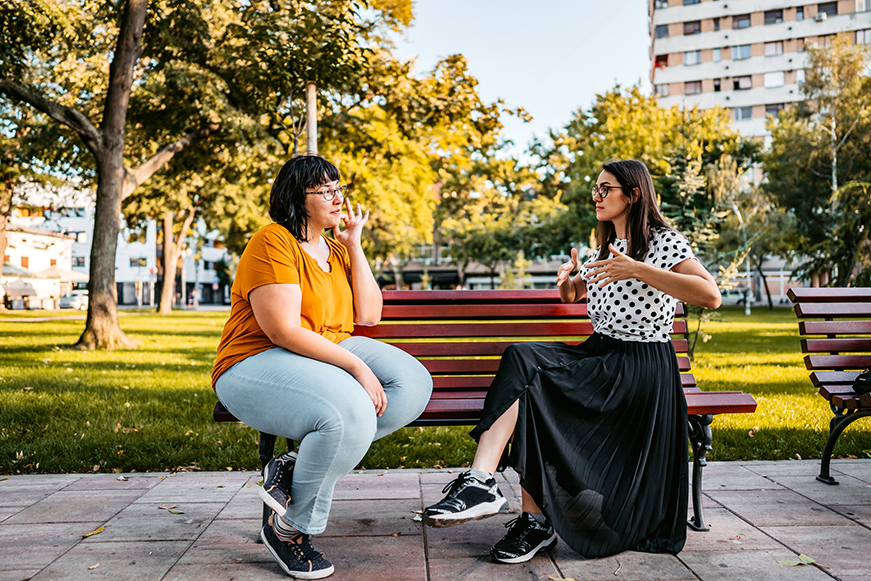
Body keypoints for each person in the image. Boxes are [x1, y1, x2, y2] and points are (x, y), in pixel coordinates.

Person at [422, 159, 721, 563]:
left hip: (640, 367)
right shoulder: (604, 246)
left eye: (605, 189)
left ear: (633, 195)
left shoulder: (663, 242)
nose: (596, 197)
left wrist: (640, 269)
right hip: (600, 353)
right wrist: (567, 282)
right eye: (595, 189)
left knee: (532, 377)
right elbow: (575, 295)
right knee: (524, 364)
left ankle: (525, 517)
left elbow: (710, 295)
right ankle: (495, 493)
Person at [211, 155, 433, 579]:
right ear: (299, 198)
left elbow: (369, 314)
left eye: (338, 188)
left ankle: (292, 465)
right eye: (326, 190)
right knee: (348, 412)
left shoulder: (334, 248)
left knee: (412, 383)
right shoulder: (273, 241)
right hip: (254, 361)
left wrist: (354, 242)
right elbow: (282, 331)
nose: (338, 197)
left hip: (325, 352)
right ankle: (291, 529)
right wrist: (356, 367)